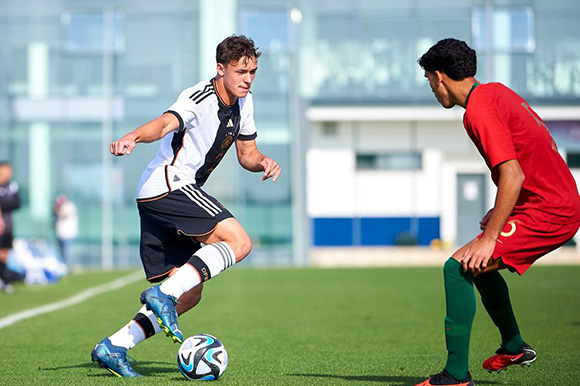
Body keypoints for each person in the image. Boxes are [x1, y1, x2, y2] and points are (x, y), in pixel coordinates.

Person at [91, 35, 281, 378]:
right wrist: (133, 136)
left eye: (252, 71)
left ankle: (115, 346)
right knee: (239, 243)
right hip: (167, 184)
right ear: (220, 69)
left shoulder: (244, 101)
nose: (248, 78)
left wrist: (263, 161)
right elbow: (165, 123)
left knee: (190, 293)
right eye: (241, 71)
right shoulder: (199, 97)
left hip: (163, 196)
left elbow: (247, 155)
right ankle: (163, 294)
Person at [415, 38, 580, 386]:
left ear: (441, 77)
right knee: (478, 267)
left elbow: (513, 173)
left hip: (551, 211)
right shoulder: (494, 92)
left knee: (457, 269)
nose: (431, 88)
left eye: (429, 79)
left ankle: (456, 377)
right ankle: (514, 346)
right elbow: (527, 162)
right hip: (548, 202)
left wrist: (491, 238)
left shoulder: (478, 111)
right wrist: (501, 210)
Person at [0, 161, 21, 294]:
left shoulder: (12, 186)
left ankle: (5, 280)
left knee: (4, 254)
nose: (9, 173)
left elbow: (16, 203)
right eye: (6, 170)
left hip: (8, 226)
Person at [53, 195, 79, 270]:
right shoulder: (59, 209)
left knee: (68, 252)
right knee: (61, 251)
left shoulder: (69, 207)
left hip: (69, 234)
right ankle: (63, 266)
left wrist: (58, 211)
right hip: (60, 235)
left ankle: (69, 267)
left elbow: (65, 215)